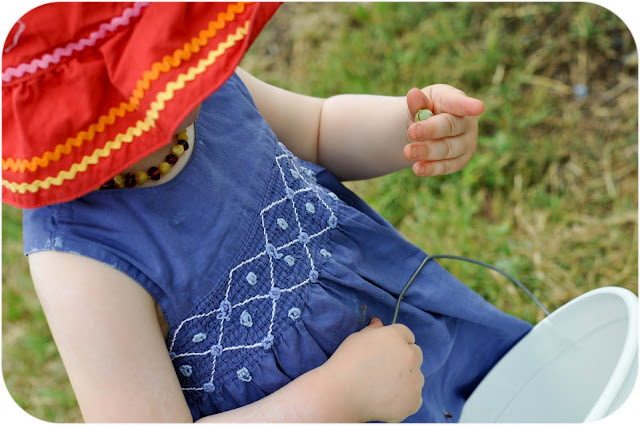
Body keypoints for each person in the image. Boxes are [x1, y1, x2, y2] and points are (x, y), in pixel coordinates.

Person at [3, 3, 532, 423]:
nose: (192, 60)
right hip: (323, 406)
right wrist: (337, 399)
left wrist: (406, 129)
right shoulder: (80, 260)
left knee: (511, 398)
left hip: (410, 330)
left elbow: (318, 128)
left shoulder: (203, 89)